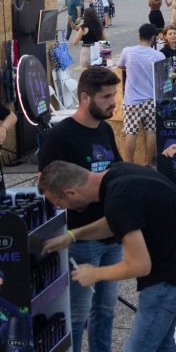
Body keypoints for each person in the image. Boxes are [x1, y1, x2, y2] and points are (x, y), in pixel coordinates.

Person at [38, 161, 176, 352]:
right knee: (163, 345)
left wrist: (95, 273)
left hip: (168, 280)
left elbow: (140, 265)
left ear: (71, 193)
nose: (62, 207)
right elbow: (118, 222)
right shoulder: (119, 174)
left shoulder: (118, 198)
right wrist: (73, 236)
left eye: (59, 203)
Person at [37, 68, 123, 352]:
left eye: (114, 95)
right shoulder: (60, 137)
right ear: (85, 97)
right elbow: (44, 186)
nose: (113, 102)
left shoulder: (105, 129)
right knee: (77, 315)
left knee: (106, 311)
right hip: (81, 241)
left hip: (112, 236)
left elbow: (117, 173)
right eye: (106, 96)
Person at [117, 24, 164, 165]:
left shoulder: (128, 51)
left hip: (132, 100)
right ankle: (148, 163)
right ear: (153, 38)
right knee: (151, 131)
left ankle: (129, 163)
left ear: (139, 35)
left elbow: (120, 65)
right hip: (150, 99)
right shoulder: (158, 55)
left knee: (130, 132)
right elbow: (162, 76)